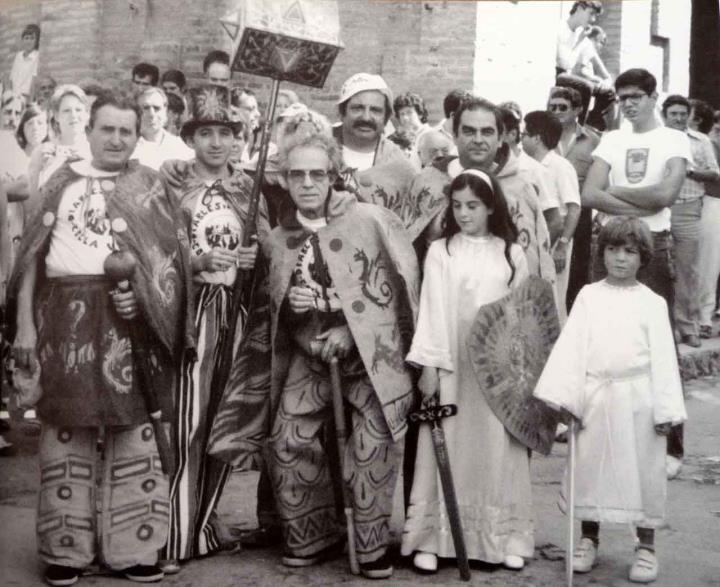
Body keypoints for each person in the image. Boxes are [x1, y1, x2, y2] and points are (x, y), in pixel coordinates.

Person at [10, 92, 193, 586]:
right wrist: (25, 326)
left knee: (135, 431)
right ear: (88, 131)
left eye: (125, 131)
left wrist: (145, 299)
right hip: (63, 322)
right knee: (65, 430)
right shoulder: (58, 182)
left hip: (130, 328)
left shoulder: (149, 185)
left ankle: (134, 550)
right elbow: (30, 259)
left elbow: (168, 264)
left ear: (137, 138)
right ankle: (65, 552)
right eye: (106, 129)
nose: (115, 139)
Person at [226, 131, 419, 579]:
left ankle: (371, 544)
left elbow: (399, 292)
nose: (308, 183)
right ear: (285, 179)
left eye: (318, 173)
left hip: (372, 360)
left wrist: (352, 334)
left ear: (334, 175)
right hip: (310, 357)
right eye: (298, 174)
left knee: (376, 439)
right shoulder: (276, 240)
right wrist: (299, 326)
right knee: (287, 437)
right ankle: (314, 533)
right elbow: (271, 314)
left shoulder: (371, 220)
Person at [534, 216, 686, 584]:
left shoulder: (652, 302)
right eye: (613, 250)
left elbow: (664, 357)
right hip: (596, 396)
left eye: (629, 251)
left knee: (643, 473)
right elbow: (572, 348)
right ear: (602, 253)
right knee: (592, 469)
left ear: (643, 256)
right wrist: (569, 400)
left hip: (639, 399)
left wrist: (666, 411)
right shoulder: (588, 296)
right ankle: (589, 538)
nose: (620, 258)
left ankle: (646, 546)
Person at [401, 169, 533, 572]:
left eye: (472, 206)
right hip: (453, 362)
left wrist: (517, 369)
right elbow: (433, 308)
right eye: (456, 206)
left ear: (492, 206)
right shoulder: (443, 251)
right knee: (448, 444)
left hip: (496, 370)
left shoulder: (512, 254)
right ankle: (432, 539)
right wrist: (430, 367)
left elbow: (524, 316)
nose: (463, 213)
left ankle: (501, 536)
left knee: (495, 450)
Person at [161, 85, 269, 572]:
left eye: (225, 132)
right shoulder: (173, 186)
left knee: (225, 424)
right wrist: (197, 260)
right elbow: (160, 249)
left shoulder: (250, 188)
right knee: (188, 423)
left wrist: (254, 257)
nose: (216, 142)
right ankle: (174, 533)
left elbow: (270, 249)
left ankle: (202, 525)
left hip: (237, 315)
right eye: (205, 133)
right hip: (194, 314)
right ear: (191, 138)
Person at [582, 68, 691, 480]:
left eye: (635, 96)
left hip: (653, 246)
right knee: (605, 339)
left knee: (659, 344)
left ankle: (671, 443)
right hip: (608, 244)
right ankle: (605, 435)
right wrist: (637, 202)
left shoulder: (673, 139)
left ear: (652, 96)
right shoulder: (612, 138)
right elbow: (589, 193)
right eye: (622, 96)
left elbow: (667, 195)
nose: (628, 103)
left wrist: (616, 193)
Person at [408, 96, 556, 285]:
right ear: (455, 136)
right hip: (441, 293)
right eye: (469, 131)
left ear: (500, 138)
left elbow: (534, 259)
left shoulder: (520, 186)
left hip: (501, 300)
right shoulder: (428, 181)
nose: (478, 140)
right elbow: (408, 253)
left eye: (486, 132)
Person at [662, 95, 719, 346]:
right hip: (659, 207)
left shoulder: (701, 140)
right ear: (665, 115)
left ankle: (688, 326)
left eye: (682, 114)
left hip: (689, 208)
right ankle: (663, 326)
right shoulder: (656, 139)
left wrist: (690, 171)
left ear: (689, 116)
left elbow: (715, 173)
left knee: (688, 269)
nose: (678, 118)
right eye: (673, 113)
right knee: (658, 267)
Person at [331, 73, 418, 227]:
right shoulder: (317, 150)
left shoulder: (400, 166)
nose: (366, 117)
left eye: (375, 110)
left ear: (386, 118)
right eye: (358, 108)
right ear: (342, 112)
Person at [522, 110, 581, 324]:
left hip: (556, 243)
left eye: (524, 135)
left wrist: (562, 245)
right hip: (539, 243)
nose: (521, 140)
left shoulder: (561, 166)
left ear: (537, 138)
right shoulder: (530, 167)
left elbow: (573, 208)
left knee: (555, 300)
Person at [548, 86, 601, 310]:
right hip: (549, 210)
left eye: (563, 107)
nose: (557, 111)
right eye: (553, 107)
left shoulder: (593, 140)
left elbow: (601, 179)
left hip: (579, 211)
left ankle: (574, 316)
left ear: (577, 109)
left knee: (578, 267)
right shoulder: (543, 137)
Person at [25, 84, 92, 218]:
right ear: (56, 115)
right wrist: (37, 169)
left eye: (78, 109)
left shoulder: (98, 151)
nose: (73, 115)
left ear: (87, 114)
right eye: (66, 110)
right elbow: (31, 208)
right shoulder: (43, 152)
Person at [556, 1, 614, 130]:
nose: (593, 19)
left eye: (595, 16)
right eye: (591, 14)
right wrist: (581, 40)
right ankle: (579, 130)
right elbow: (565, 64)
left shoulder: (581, 34)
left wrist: (606, 81)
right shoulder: (561, 28)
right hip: (557, 74)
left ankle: (591, 124)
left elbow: (601, 68)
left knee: (609, 93)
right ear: (580, 8)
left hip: (568, 76)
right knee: (586, 86)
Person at [132, 87, 194, 170]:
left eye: (156, 108)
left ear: (165, 111)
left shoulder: (181, 147)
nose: (151, 114)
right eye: (146, 108)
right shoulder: (128, 147)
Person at [390, 92, 430, 169]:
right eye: (402, 114)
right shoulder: (397, 139)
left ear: (420, 114)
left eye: (409, 112)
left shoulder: (430, 135)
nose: (405, 118)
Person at [10, 24, 40, 100]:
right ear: (22, 40)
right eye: (26, 38)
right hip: (15, 95)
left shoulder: (37, 56)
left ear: (36, 41)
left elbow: (34, 79)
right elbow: (12, 77)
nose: (29, 41)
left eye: (32, 38)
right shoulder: (18, 56)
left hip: (26, 96)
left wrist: (29, 101)